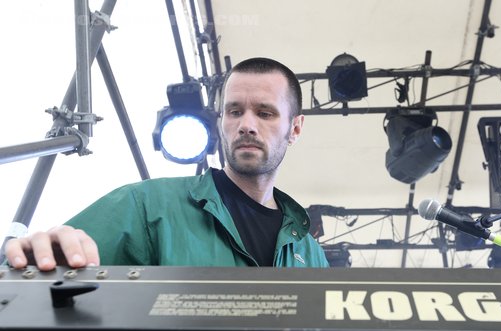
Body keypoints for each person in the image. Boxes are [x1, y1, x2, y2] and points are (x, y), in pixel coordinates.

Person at [5, 57, 329, 269]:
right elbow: (34, 276)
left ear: (295, 128)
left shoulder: (310, 251)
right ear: (221, 122)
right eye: (234, 111)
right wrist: (35, 259)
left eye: (264, 112)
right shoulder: (148, 206)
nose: (246, 124)